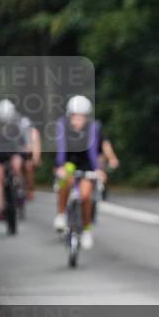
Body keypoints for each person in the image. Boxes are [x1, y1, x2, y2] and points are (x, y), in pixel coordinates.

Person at [53, 95, 105, 249]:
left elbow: (92, 151)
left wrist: (98, 170)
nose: (77, 121)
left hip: (86, 163)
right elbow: (61, 149)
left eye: (81, 117)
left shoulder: (93, 128)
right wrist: (60, 166)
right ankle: (61, 215)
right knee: (66, 179)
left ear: (87, 117)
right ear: (69, 116)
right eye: (74, 117)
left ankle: (87, 230)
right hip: (69, 161)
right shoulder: (62, 125)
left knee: (86, 194)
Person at [0, 99, 32, 222]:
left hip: (14, 149)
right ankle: (0, 209)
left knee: (17, 165)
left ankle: (19, 190)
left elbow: (26, 137)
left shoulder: (18, 120)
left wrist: (27, 146)